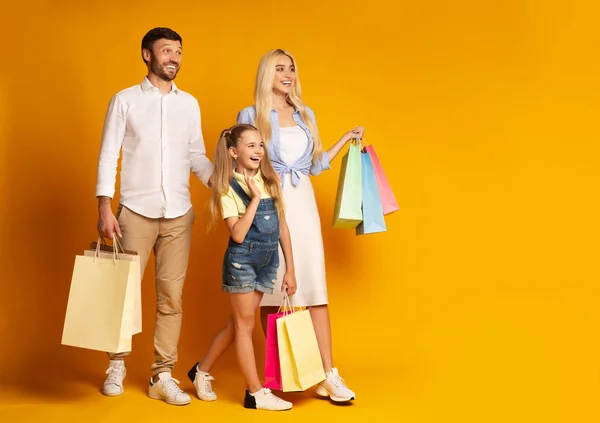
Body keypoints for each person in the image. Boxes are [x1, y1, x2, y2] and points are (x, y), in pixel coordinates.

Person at [237, 49, 363, 402]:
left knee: (314, 288)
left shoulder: (305, 114)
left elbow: (316, 164)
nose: (288, 74)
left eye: (291, 68)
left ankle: (328, 375)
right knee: (272, 291)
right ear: (267, 74)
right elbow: (242, 165)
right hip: (268, 205)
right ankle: (288, 373)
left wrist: (345, 139)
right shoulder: (251, 114)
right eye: (280, 69)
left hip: (303, 204)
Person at [95, 27, 213, 405]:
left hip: (179, 213)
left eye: (178, 51)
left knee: (171, 299)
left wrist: (228, 182)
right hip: (135, 212)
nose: (174, 58)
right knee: (123, 295)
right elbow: (108, 154)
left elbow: (197, 157)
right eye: (166, 51)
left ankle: (162, 375)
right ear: (147, 55)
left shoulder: (189, 104)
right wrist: (104, 206)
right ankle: (116, 364)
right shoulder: (125, 100)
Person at [188, 124, 296, 411]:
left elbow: (282, 226)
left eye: (260, 145)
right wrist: (255, 199)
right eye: (251, 146)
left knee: (237, 325)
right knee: (245, 326)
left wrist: (290, 268)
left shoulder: (270, 179)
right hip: (242, 262)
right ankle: (255, 393)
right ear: (234, 152)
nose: (258, 151)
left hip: (268, 261)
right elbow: (237, 234)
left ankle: (200, 371)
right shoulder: (227, 188)